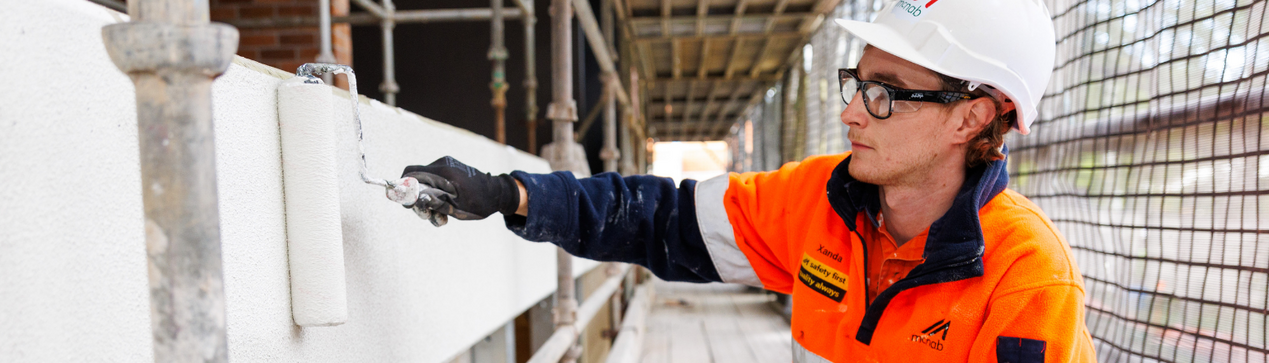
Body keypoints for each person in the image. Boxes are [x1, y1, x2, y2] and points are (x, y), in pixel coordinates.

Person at [399, 0, 1096, 361]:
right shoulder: (818, 203)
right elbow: (659, 218)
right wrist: (511, 194)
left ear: (970, 117)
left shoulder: (1027, 282)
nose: (852, 111)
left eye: (886, 93)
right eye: (857, 82)